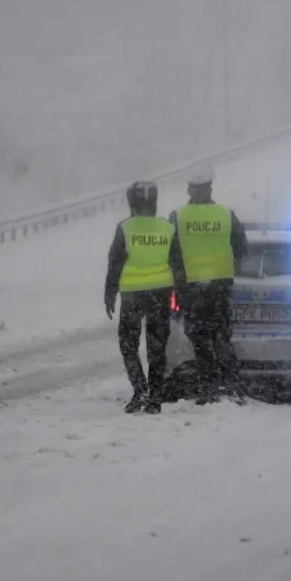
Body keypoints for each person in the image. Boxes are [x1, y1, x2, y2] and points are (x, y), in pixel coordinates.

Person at [167, 165, 248, 404]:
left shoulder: (178, 217)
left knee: (200, 339)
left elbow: (169, 252)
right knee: (221, 336)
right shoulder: (225, 214)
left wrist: (179, 275)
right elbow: (242, 247)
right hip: (219, 287)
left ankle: (209, 387)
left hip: (191, 289)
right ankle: (231, 385)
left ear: (191, 190)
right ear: (210, 188)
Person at [104, 180, 176, 414]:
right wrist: (181, 294)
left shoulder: (125, 228)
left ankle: (140, 389)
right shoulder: (167, 228)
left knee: (128, 345)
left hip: (133, 295)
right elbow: (177, 263)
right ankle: (155, 396)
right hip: (161, 292)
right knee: (157, 347)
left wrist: (109, 293)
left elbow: (115, 263)